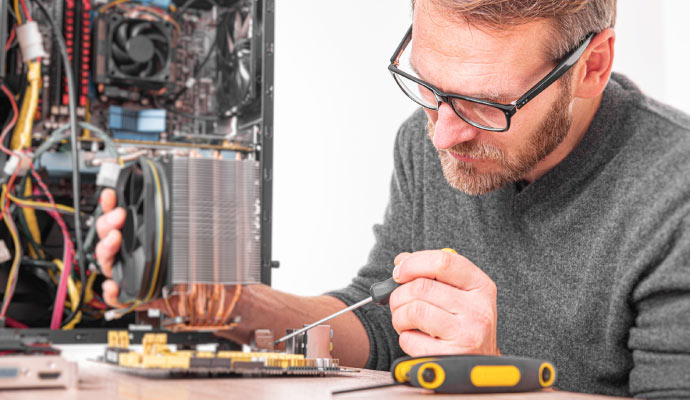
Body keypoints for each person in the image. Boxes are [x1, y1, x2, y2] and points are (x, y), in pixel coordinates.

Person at [95, 0, 690, 397]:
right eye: (428, 86)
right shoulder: (427, 137)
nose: (443, 132)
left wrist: (490, 378)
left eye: (488, 104)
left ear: (593, 66)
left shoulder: (674, 193)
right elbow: (379, 324)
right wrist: (233, 306)